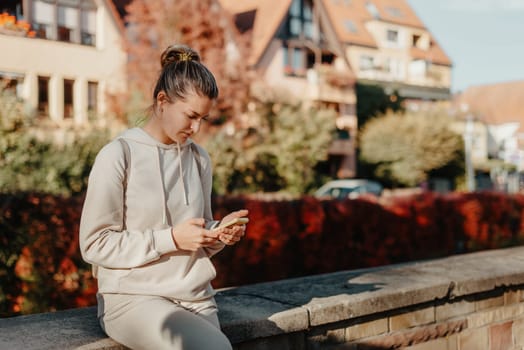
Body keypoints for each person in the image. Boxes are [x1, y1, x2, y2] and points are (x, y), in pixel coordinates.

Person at [79, 44, 248, 350]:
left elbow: (194, 235)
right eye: (191, 116)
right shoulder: (119, 155)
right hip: (132, 299)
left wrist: (219, 232)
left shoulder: (199, 159)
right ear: (162, 101)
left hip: (196, 297)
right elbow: (94, 244)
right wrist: (171, 238)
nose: (196, 128)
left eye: (204, 119)